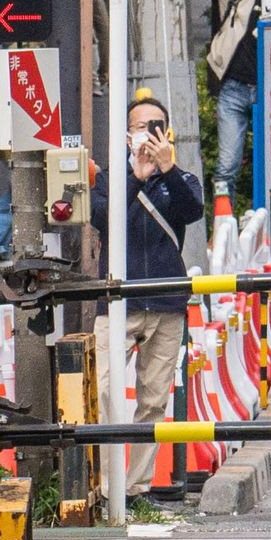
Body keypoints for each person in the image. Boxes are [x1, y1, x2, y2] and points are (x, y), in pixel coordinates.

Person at [93, 92, 208, 428]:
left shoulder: (183, 180)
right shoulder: (108, 180)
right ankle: (108, 464)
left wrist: (167, 169)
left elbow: (192, 211)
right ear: (127, 136)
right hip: (117, 302)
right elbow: (101, 217)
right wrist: (136, 179)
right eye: (139, 127)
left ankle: (141, 467)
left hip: (165, 303)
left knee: (154, 401)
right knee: (100, 390)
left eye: (154, 126)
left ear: (166, 133)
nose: (146, 133)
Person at [204, 0, 266, 182]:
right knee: (227, 166)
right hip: (233, 87)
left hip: (269, 91)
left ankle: (267, 208)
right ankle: (223, 209)